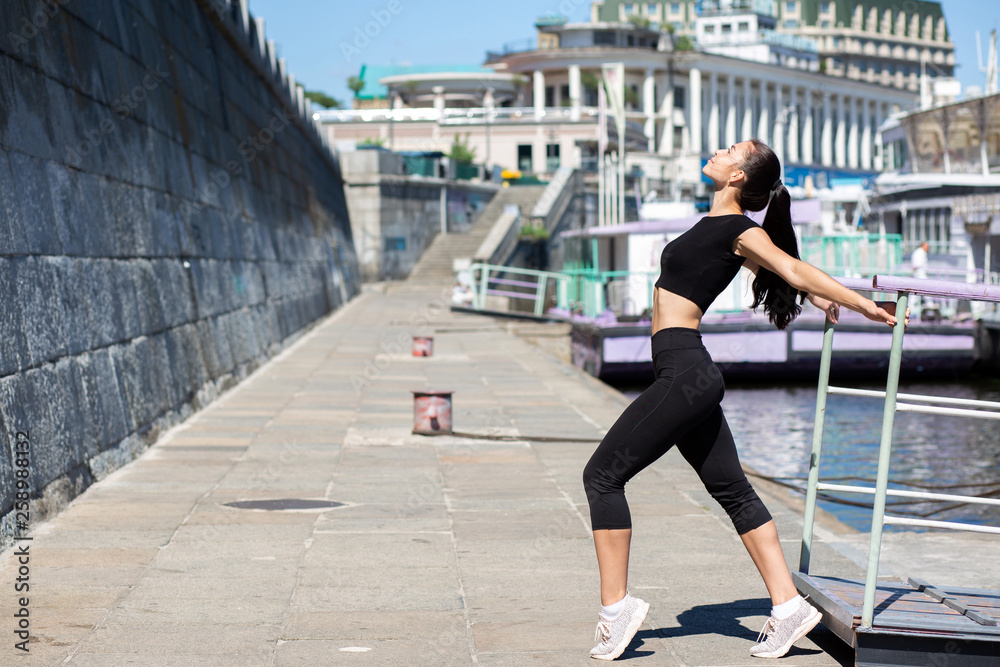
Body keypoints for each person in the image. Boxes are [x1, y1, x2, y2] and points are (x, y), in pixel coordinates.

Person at [582, 139, 907, 661]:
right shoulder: (715, 228)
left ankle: (615, 609)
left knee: (601, 477)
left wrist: (859, 303)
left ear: (738, 175)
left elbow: (792, 268)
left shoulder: (741, 230)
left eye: (730, 149)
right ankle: (788, 608)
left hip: (685, 370)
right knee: (731, 490)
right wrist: (814, 297)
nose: (717, 150)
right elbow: (778, 276)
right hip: (681, 370)